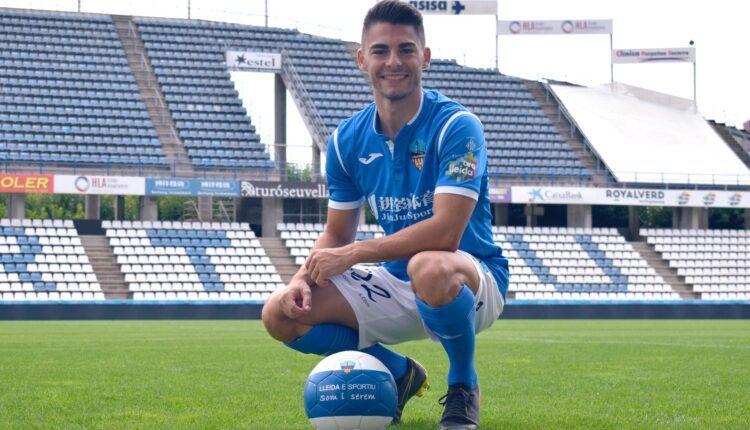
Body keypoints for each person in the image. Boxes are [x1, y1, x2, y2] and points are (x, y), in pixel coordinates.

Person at [262, 1, 509, 428]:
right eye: (380, 50)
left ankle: (463, 385)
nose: (393, 61)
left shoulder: (457, 126)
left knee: (429, 266)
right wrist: (300, 279)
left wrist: (356, 253)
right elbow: (337, 232)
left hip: (468, 278)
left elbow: (447, 232)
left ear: (425, 57)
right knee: (279, 312)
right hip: (396, 279)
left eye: (406, 49)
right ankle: (400, 374)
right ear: (362, 60)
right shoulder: (345, 141)